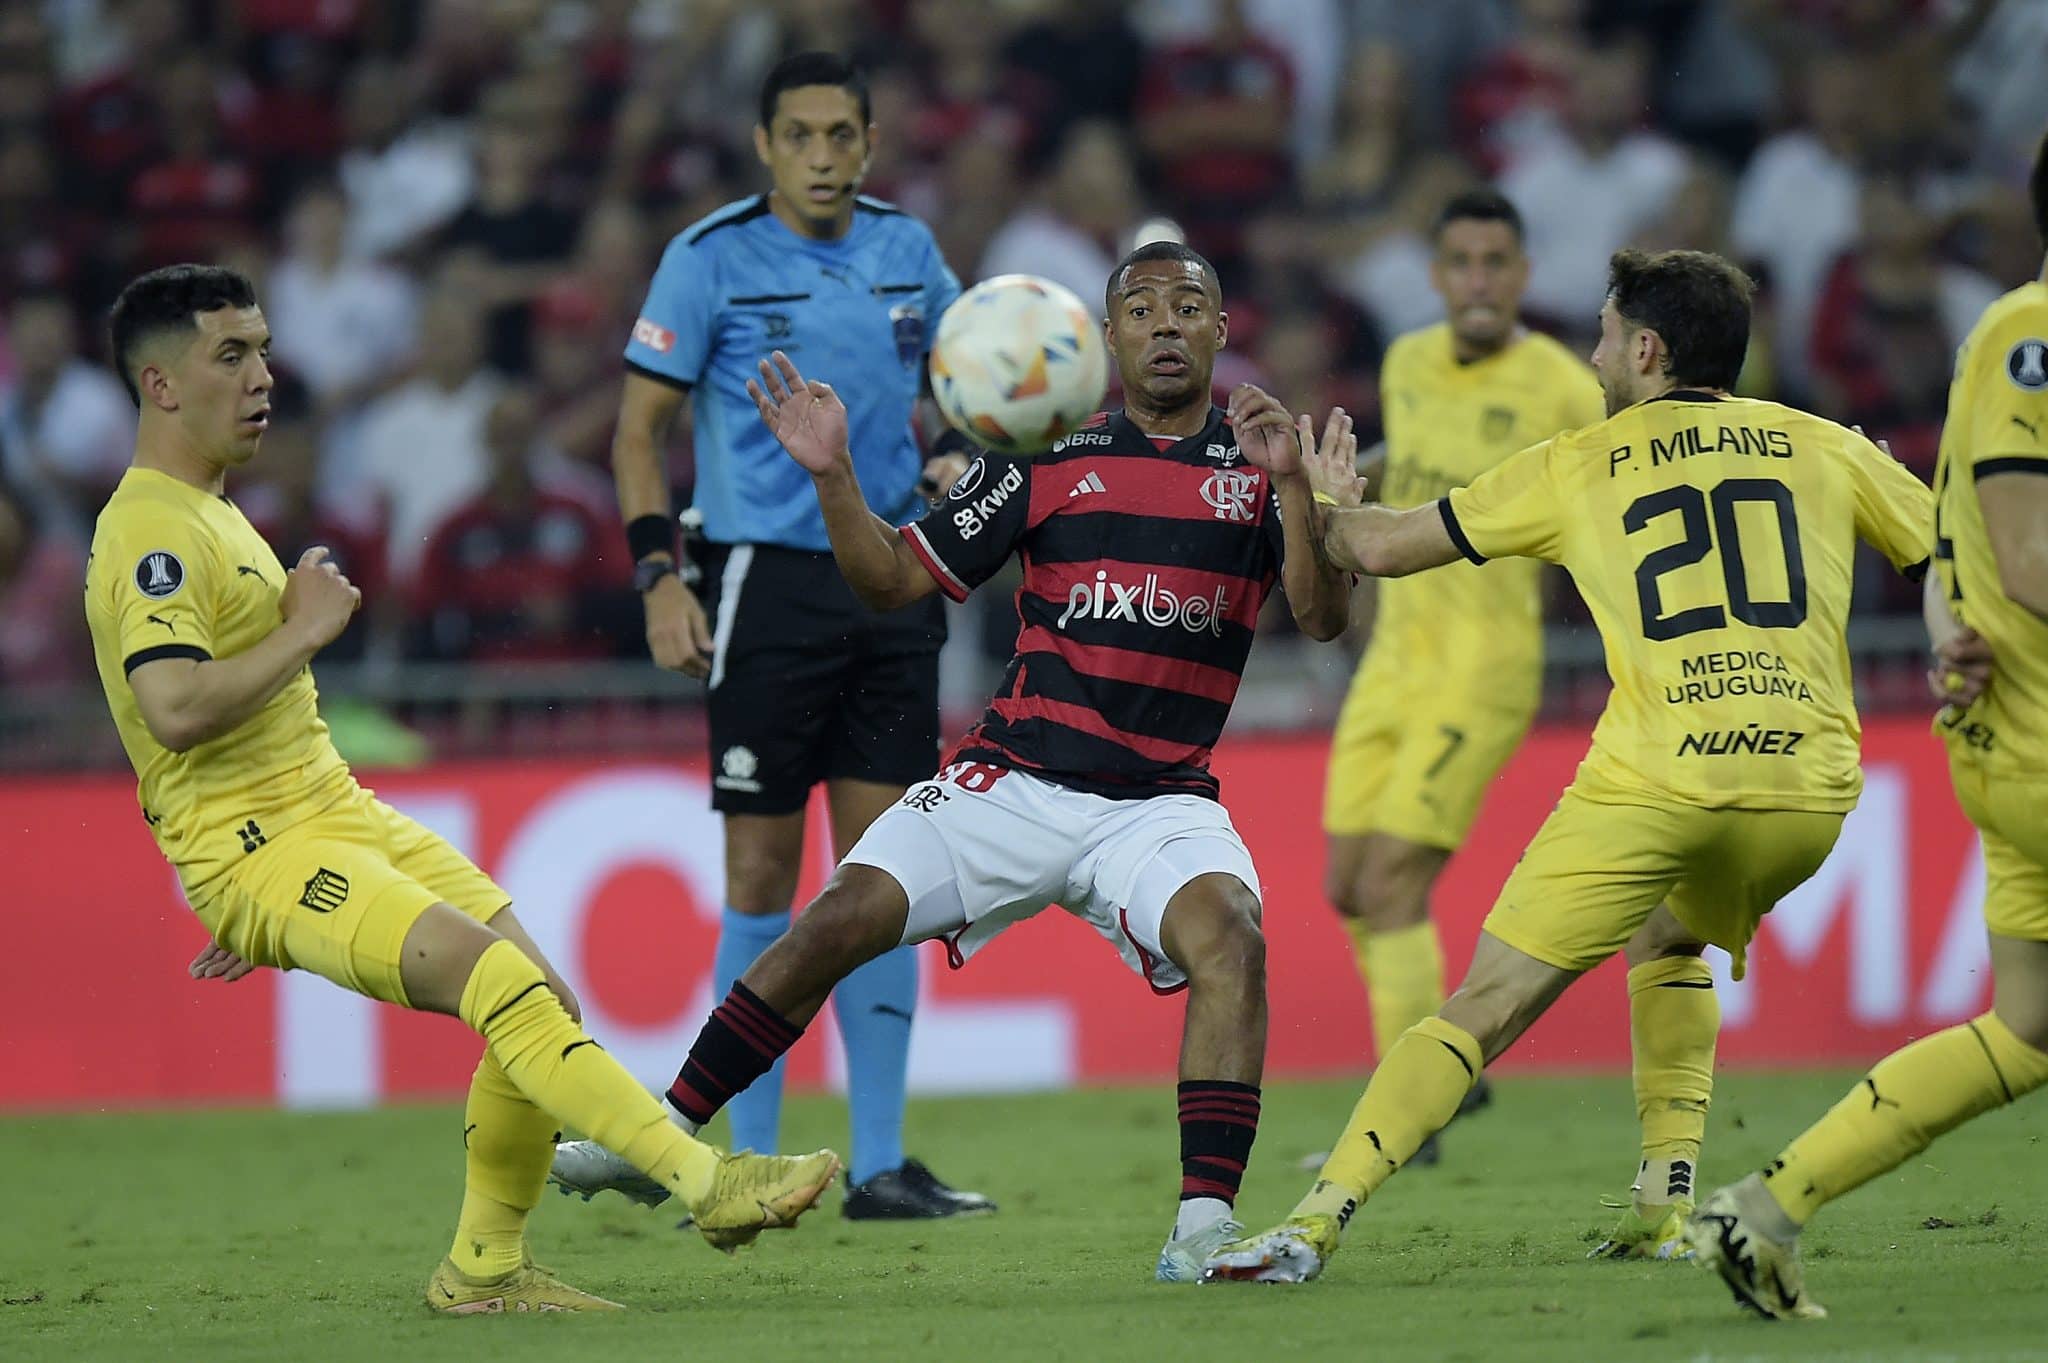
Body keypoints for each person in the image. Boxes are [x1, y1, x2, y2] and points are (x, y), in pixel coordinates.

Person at [83, 265, 839, 1315]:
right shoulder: (151, 529)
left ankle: (483, 1267)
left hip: (327, 818)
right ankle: (707, 1182)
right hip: (271, 843)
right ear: (159, 387)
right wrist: (301, 647)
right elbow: (170, 709)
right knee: (503, 988)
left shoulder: (207, 512)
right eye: (231, 355)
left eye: (261, 348)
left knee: (544, 1003)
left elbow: (185, 738)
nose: (263, 376)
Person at [1203, 247, 1939, 1285]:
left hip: (1657, 776)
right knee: (1670, 933)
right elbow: (1948, 558)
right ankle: (1660, 1204)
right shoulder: (1821, 444)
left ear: (1644, 349)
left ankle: (1312, 1221)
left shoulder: (1578, 460)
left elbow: (1377, 549)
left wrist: (1322, 501)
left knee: (1484, 1002)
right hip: (1808, 788)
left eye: (1601, 333)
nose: (1590, 353)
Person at [648, 240, 1352, 1284]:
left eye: (1187, 307)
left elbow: (1325, 618)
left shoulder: (1258, 463)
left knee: (1233, 941)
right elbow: (891, 579)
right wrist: (835, 478)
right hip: (1010, 782)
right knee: (836, 918)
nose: (1165, 325)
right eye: (1143, 309)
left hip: (1155, 803)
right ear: (1106, 338)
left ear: (1216, 329)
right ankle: (653, 1133)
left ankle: (1201, 1230)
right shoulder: (1043, 455)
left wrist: (1296, 491)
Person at [550, 50, 989, 1221]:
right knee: (759, 873)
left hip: (890, 575)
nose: (823, 156)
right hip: (762, 584)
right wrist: (659, 578)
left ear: (870, 141)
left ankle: (883, 1164)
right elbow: (637, 436)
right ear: (762, 144)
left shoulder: (909, 252)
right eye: (799, 134)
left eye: (841, 133)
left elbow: (963, 387)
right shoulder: (707, 260)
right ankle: (734, 1159)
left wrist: (952, 449)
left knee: (881, 875)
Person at [1687, 132, 2048, 1322]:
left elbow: (1949, 548)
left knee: (2030, 1025)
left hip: (2011, 729)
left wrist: (1951, 624)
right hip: (2039, 743)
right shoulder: (2025, 337)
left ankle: (1769, 1205)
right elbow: (2026, 555)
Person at [1320, 189, 1602, 1169]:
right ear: (1436, 276)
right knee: (1347, 884)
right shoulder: (1403, 362)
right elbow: (1412, 471)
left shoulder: (1565, 388)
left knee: (1394, 881)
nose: (1477, 280)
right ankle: (1455, 1075)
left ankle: (1410, 1111)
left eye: (1495, 262)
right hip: (1393, 659)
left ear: (1520, 276)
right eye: (1461, 263)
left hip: (1482, 667)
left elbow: (1615, 493)